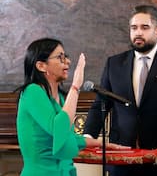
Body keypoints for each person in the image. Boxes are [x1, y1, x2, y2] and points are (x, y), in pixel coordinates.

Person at [83, 5, 157, 176]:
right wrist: (88, 137)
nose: (138, 33)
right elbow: (100, 105)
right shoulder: (114, 64)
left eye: (144, 27)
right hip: (121, 158)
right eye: (134, 28)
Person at [16, 38, 130, 176]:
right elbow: (58, 129)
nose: (68, 62)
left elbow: (68, 138)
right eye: (60, 58)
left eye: (66, 57)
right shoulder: (32, 92)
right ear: (41, 66)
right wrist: (76, 86)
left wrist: (102, 144)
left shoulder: (61, 97)